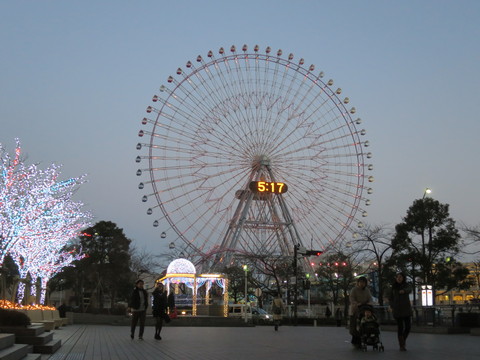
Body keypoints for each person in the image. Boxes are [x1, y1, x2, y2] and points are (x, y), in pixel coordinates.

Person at [389, 272, 412, 351]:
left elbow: (409, 289)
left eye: (400, 277)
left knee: (408, 327)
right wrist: (392, 306)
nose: (399, 278)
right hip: (397, 309)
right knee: (400, 327)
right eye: (397, 277)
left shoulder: (406, 285)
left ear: (403, 278)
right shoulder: (393, 287)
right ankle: (402, 345)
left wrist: (404, 291)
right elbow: (390, 298)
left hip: (406, 309)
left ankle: (403, 340)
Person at [349, 276, 372, 347]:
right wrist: (356, 303)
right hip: (355, 309)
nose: (362, 284)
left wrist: (369, 303)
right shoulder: (354, 290)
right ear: (358, 283)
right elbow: (352, 298)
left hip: (365, 309)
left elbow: (370, 298)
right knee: (355, 325)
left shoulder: (367, 290)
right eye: (361, 282)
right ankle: (355, 340)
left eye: (364, 283)